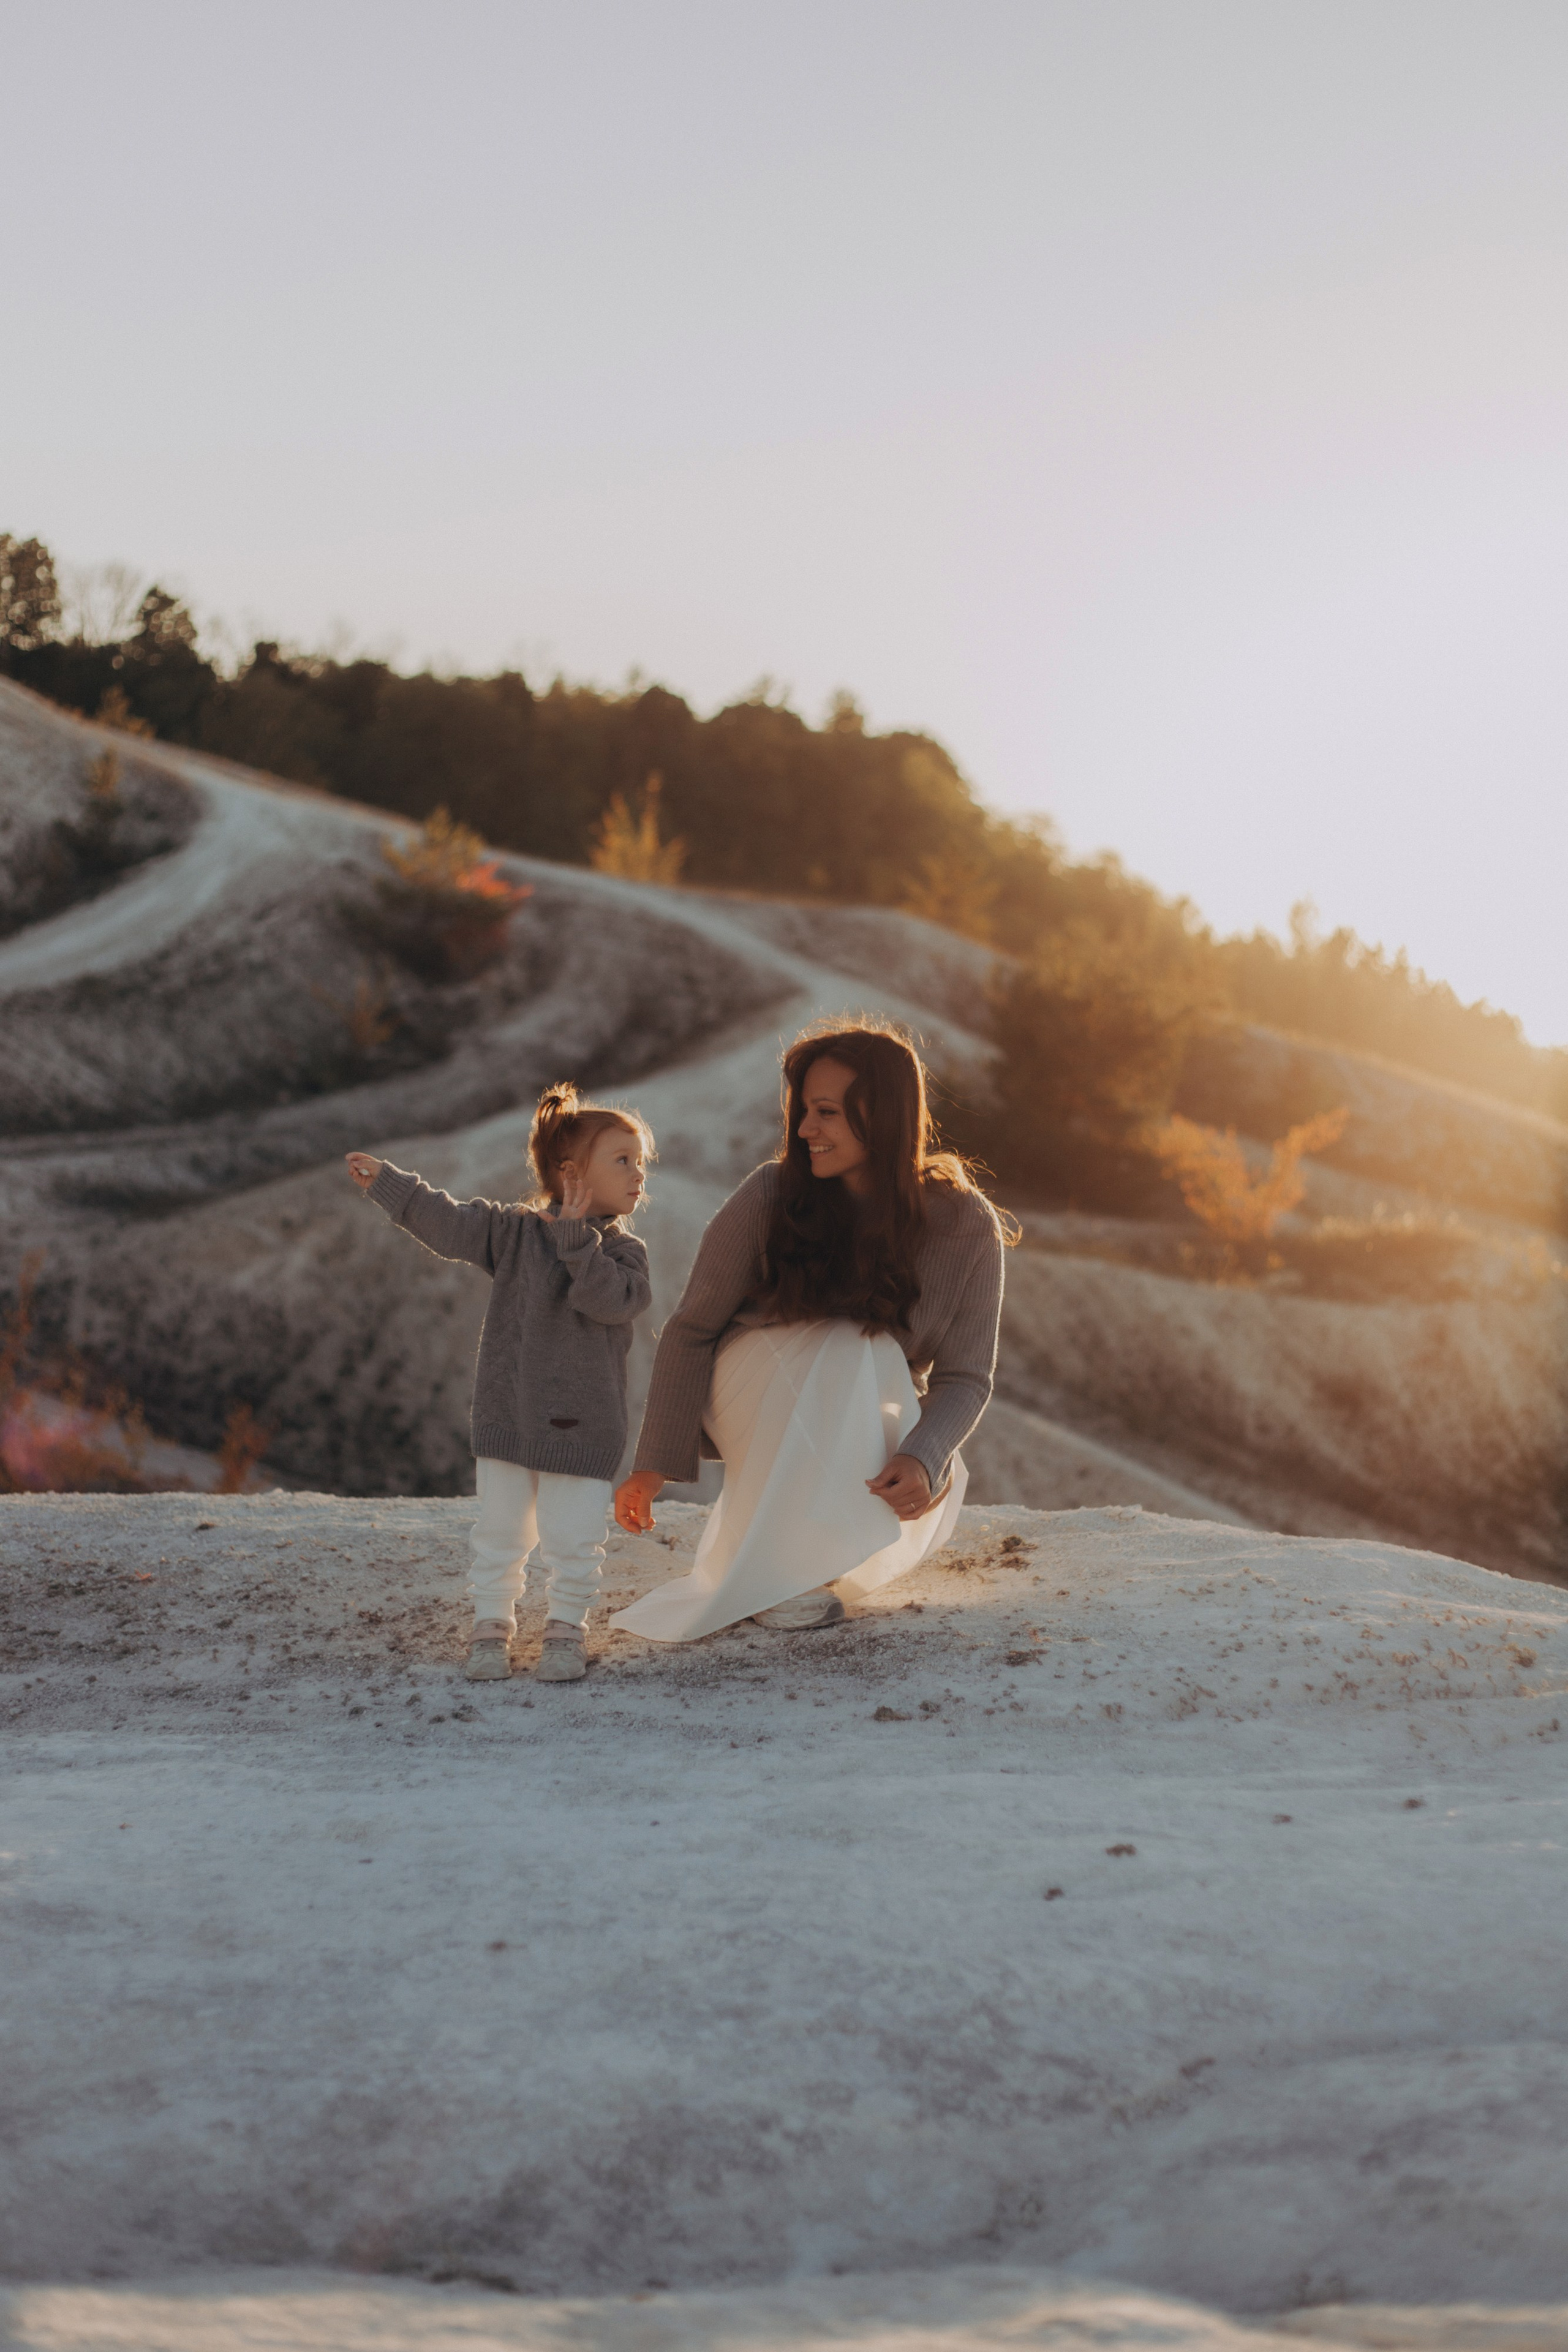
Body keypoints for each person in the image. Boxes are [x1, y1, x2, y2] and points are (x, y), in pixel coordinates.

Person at [611, 1022, 1008, 1642]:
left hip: (857, 1397)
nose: (803, 1130)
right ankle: (783, 1575)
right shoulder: (769, 1194)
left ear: (882, 1115)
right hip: (747, 1388)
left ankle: (808, 1563)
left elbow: (965, 1376)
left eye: (825, 1112)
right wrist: (654, 1465)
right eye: (802, 1111)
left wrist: (923, 1456)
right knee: (855, 1342)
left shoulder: (964, 1225)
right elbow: (690, 1331)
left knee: (873, 1364)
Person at [345, 1085, 652, 1683]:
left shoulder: (625, 1253)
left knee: (573, 1535)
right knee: (500, 1532)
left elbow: (611, 1303)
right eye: (623, 1160)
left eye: (641, 1161)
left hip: (583, 1426)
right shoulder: (514, 1233)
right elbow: (450, 1224)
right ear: (571, 1174)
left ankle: (565, 1627)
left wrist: (575, 1243)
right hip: (508, 1416)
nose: (638, 1173)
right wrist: (389, 1184)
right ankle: (492, 1626)